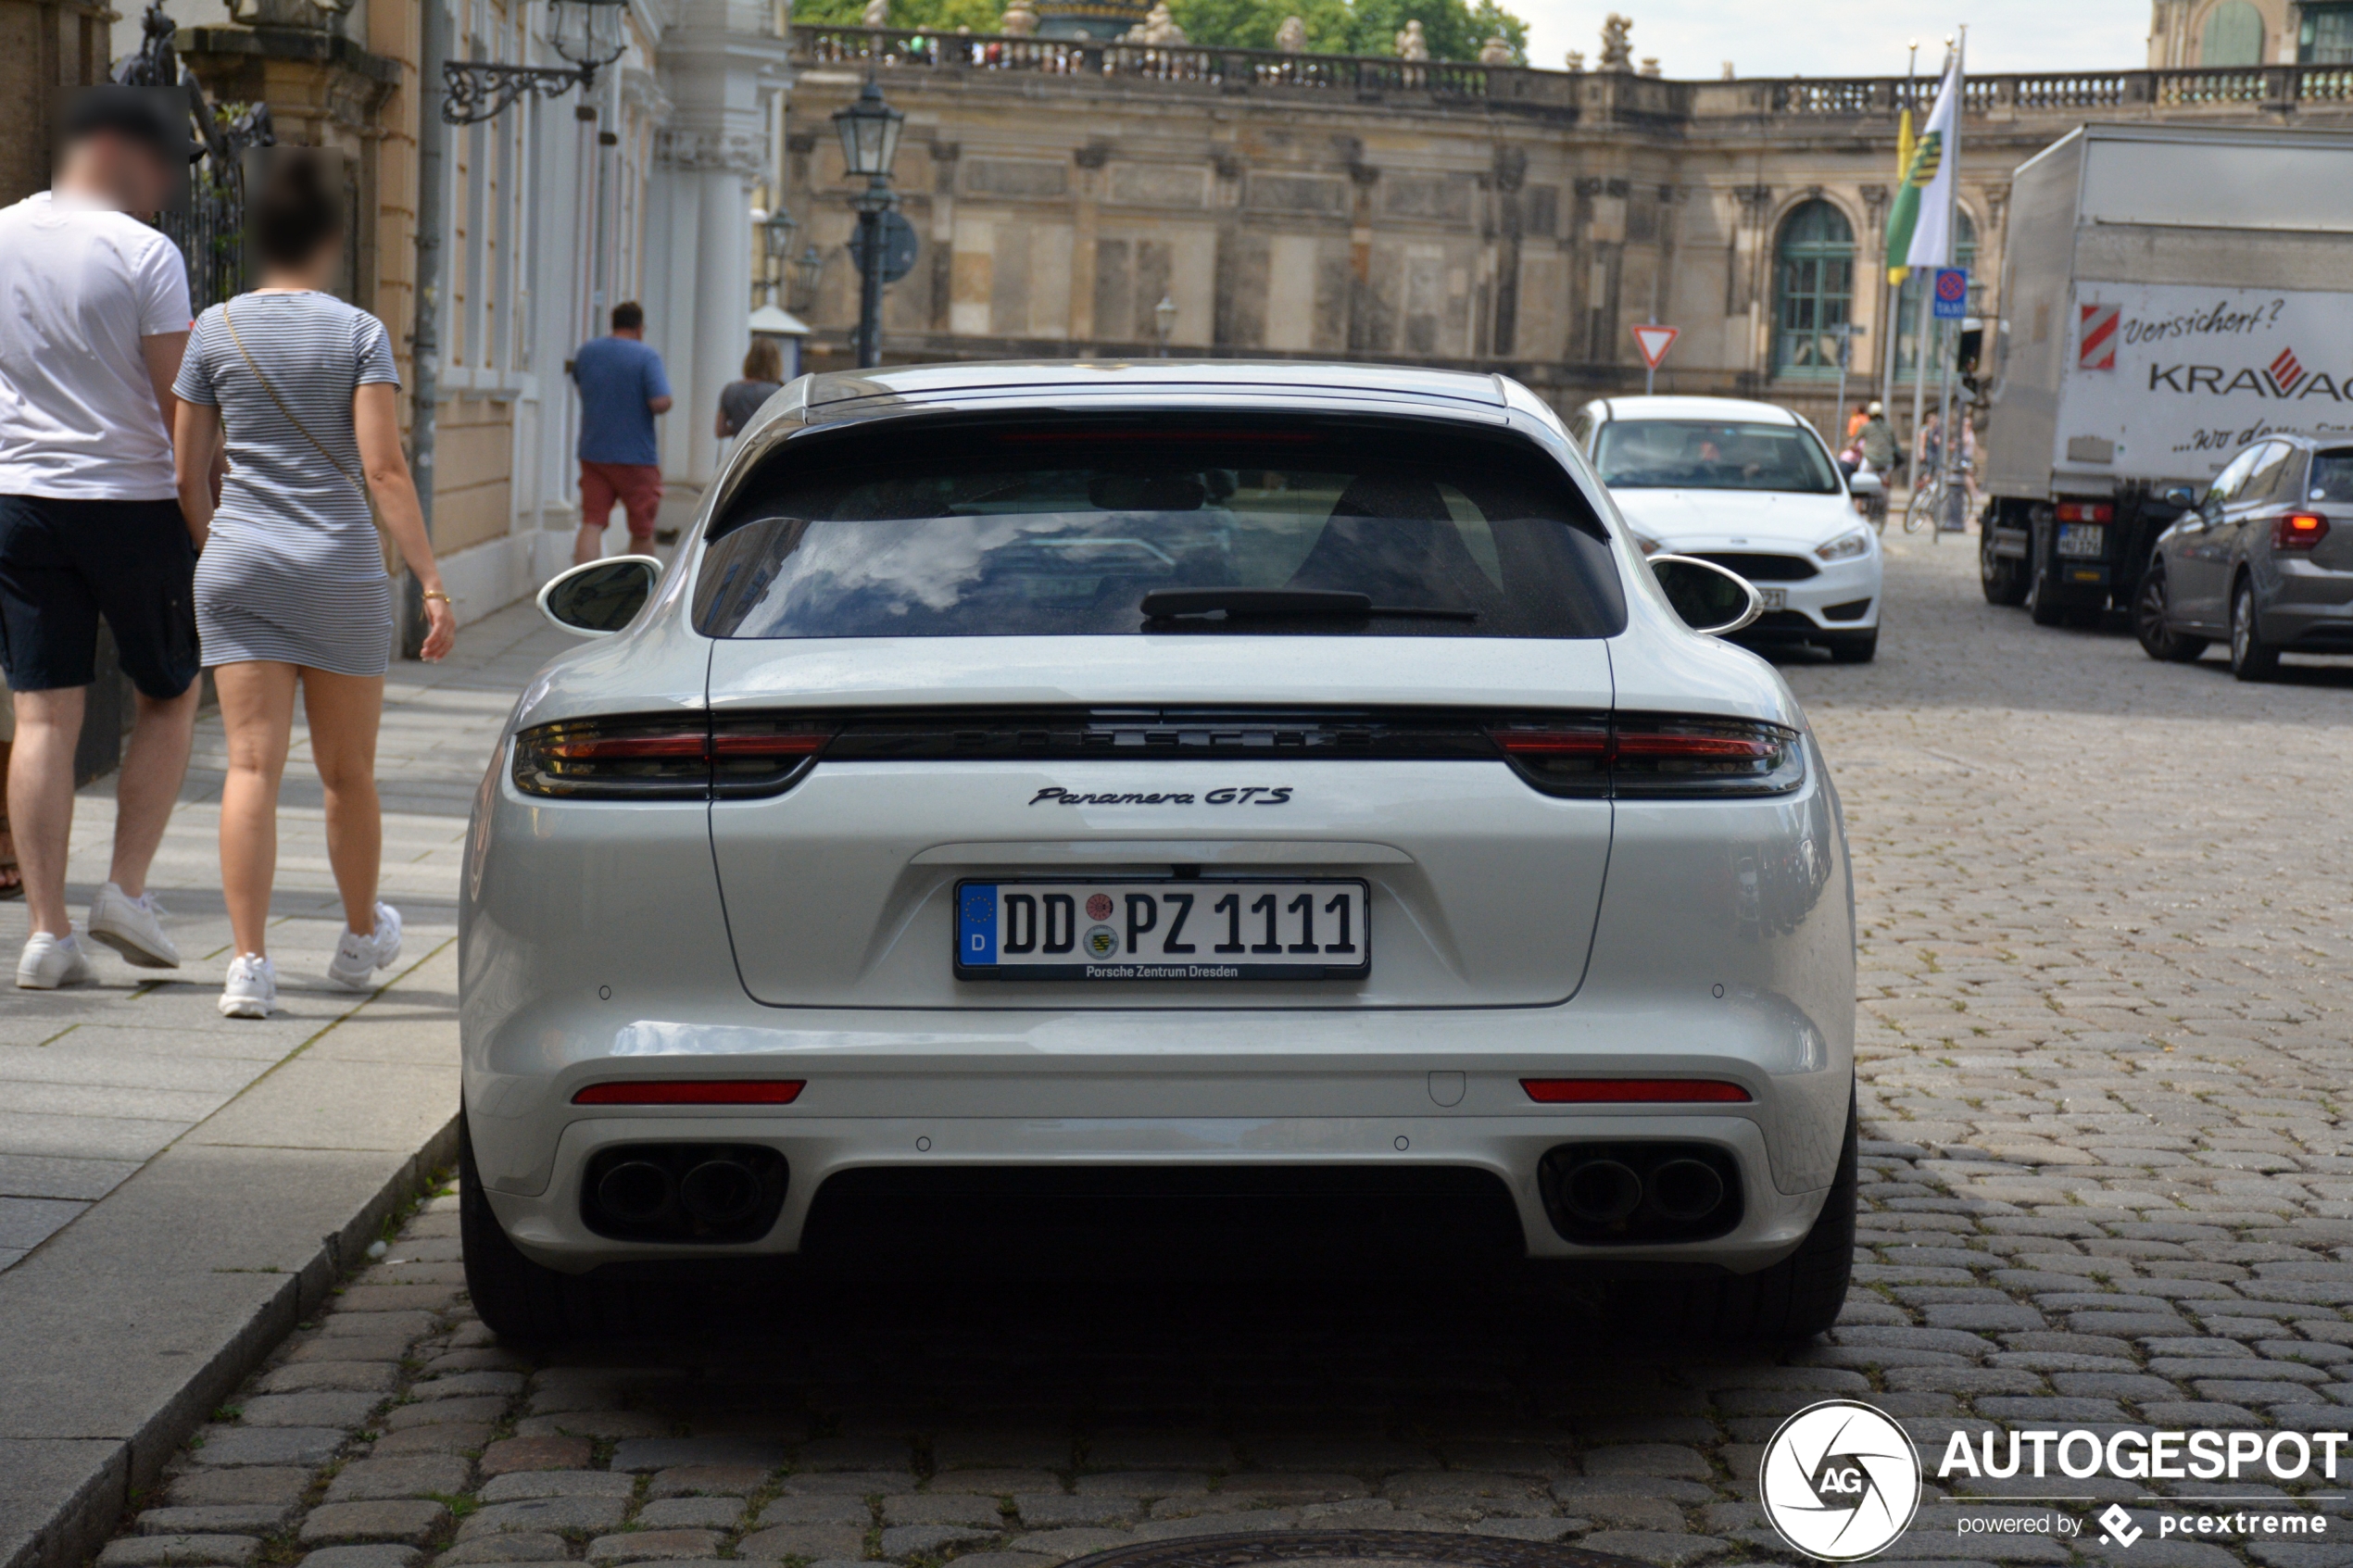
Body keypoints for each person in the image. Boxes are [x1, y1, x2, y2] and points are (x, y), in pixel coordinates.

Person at [170, 149, 457, 1019]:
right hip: (337, 566)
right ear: (331, 240)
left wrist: (218, 546)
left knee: (250, 764)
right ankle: (361, 934)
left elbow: (185, 472)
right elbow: (384, 469)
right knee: (347, 774)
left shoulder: (213, 330)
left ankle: (248, 965)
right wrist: (432, 584)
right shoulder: (359, 332)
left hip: (241, 560)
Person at [0, 86, 204, 987]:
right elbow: (180, 405)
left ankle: (47, 933)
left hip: (19, 499)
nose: (170, 187)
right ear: (119, 151)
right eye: (167, 165)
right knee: (168, 693)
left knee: (42, 713)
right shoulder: (144, 252)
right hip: (132, 501)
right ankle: (124, 889)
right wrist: (210, 521)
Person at [570, 302, 673, 566]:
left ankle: (581, 590)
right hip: (636, 456)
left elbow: (582, 389)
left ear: (614, 324)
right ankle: (638, 592)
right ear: (639, 328)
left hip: (594, 452)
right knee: (641, 529)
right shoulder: (646, 357)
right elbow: (660, 401)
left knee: (592, 521)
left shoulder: (587, 352)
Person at [715, 338, 785, 442]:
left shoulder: (731, 390)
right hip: (767, 452)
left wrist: (742, 427)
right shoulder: (777, 392)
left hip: (741, 454)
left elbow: (720, 431)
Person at [1857, 401, 1897, 481]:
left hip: (1870, 459)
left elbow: (1855, 440)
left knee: (1860, 478)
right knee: (1885, 480)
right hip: (1887, 461)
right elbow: (1895, 445)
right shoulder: (1889, 427)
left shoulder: (1866, 426)